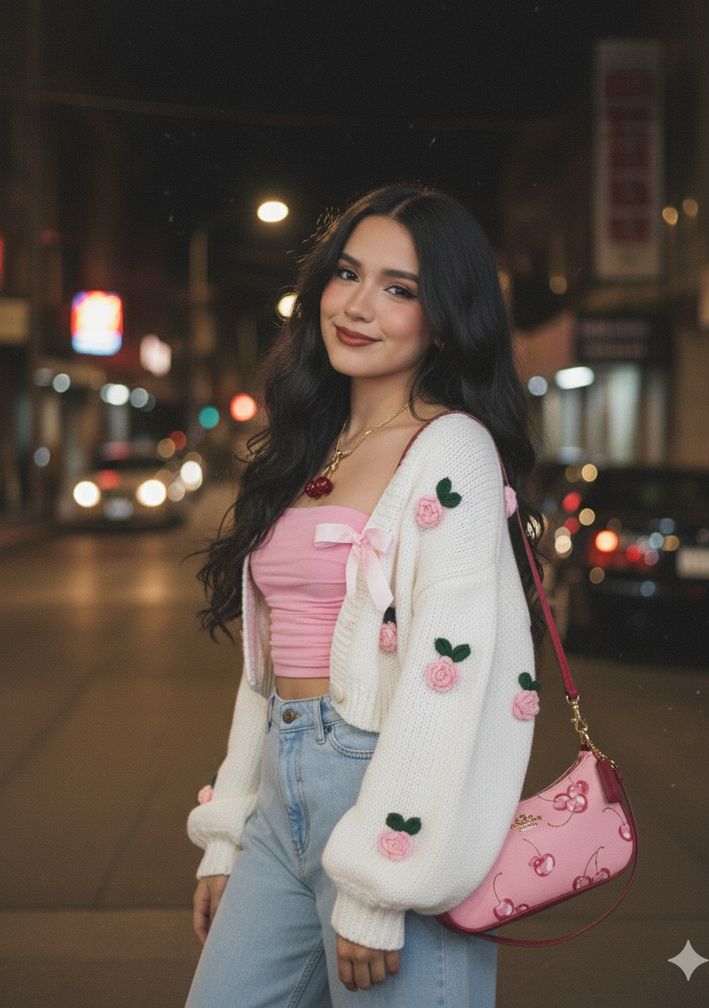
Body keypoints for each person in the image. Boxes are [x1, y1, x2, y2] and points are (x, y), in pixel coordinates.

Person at [185, 182, 542, 1007]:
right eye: (347, 274)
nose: (357, 306)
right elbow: (263, 672)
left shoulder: (452, 449)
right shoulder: (312, 446)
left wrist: (384, 880)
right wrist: (228, 828)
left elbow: (447, 676)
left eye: (399, 289)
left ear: (444, 319)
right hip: (281, 792)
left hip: (390, 797)